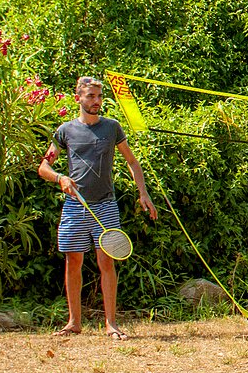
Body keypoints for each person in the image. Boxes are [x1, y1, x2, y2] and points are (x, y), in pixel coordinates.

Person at [38, 76, 158, 340]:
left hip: (105, 204)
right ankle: (74, 323)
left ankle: (111, 324)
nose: (96, 102)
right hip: (75, 205)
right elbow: (43, 167)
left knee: (106, 261)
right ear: (78, 98)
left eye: (99, 97)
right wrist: (61, 178)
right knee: (73, 261)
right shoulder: (65, 131)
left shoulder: (112, 127)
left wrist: (143, 193)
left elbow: (132, 162)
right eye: (91, 96)